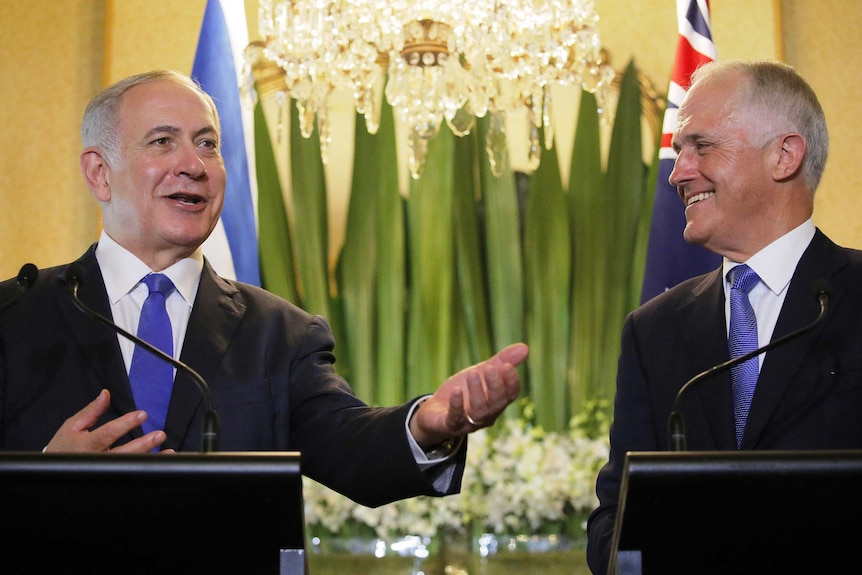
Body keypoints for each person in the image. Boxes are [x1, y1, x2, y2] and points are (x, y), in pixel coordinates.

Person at [0, 69, 529, 509]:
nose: (195, 165)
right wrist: (40, 475)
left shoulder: (279, 332)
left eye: (207, 144)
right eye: (163, 141)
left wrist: (426, 423)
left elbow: (349, 448)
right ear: (99, 173)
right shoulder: (16, 315)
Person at [586, 58, 862, 574]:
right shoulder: (653, 330)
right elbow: (610, 524)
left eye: (701, 146)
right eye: (677, 150)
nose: (677, 172)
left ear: (784, 155)